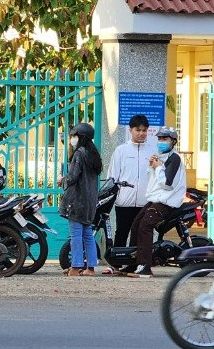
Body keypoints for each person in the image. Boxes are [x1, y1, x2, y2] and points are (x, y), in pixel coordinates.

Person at [126, 126, 187, 278]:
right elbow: (155, 181)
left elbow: (167, 183)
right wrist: (153, 166)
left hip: (167, 202)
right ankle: (134, 264)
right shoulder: (163, 157)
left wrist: (158, 167)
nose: (161, 142)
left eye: (165, 139)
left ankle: (145, 267)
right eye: (159, 139)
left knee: (146, 226)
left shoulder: (174, 158)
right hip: (155, 200)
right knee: (136, 225)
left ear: (173, 142)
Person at [58, 122, 103, 276]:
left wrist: (62, 179)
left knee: (76, 236)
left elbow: (73, 177)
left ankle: (75, 267)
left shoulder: (79, 154)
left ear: (81, 138)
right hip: (89, 201)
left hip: (77, 201)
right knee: (88, 235)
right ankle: (90, 268)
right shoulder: (92, 155)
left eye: (74, 136)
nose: (72, 139)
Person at [106, 114, 155, 247]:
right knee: (122, 231)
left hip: (145, 202)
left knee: (140, 233)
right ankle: (117, 263)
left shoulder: (153, 151)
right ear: (130, 130)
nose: (141, 133)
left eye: (144, 130)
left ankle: (137, 263)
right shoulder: (121, 151)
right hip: (124, 201)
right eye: (138, 130)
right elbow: (112, 176)